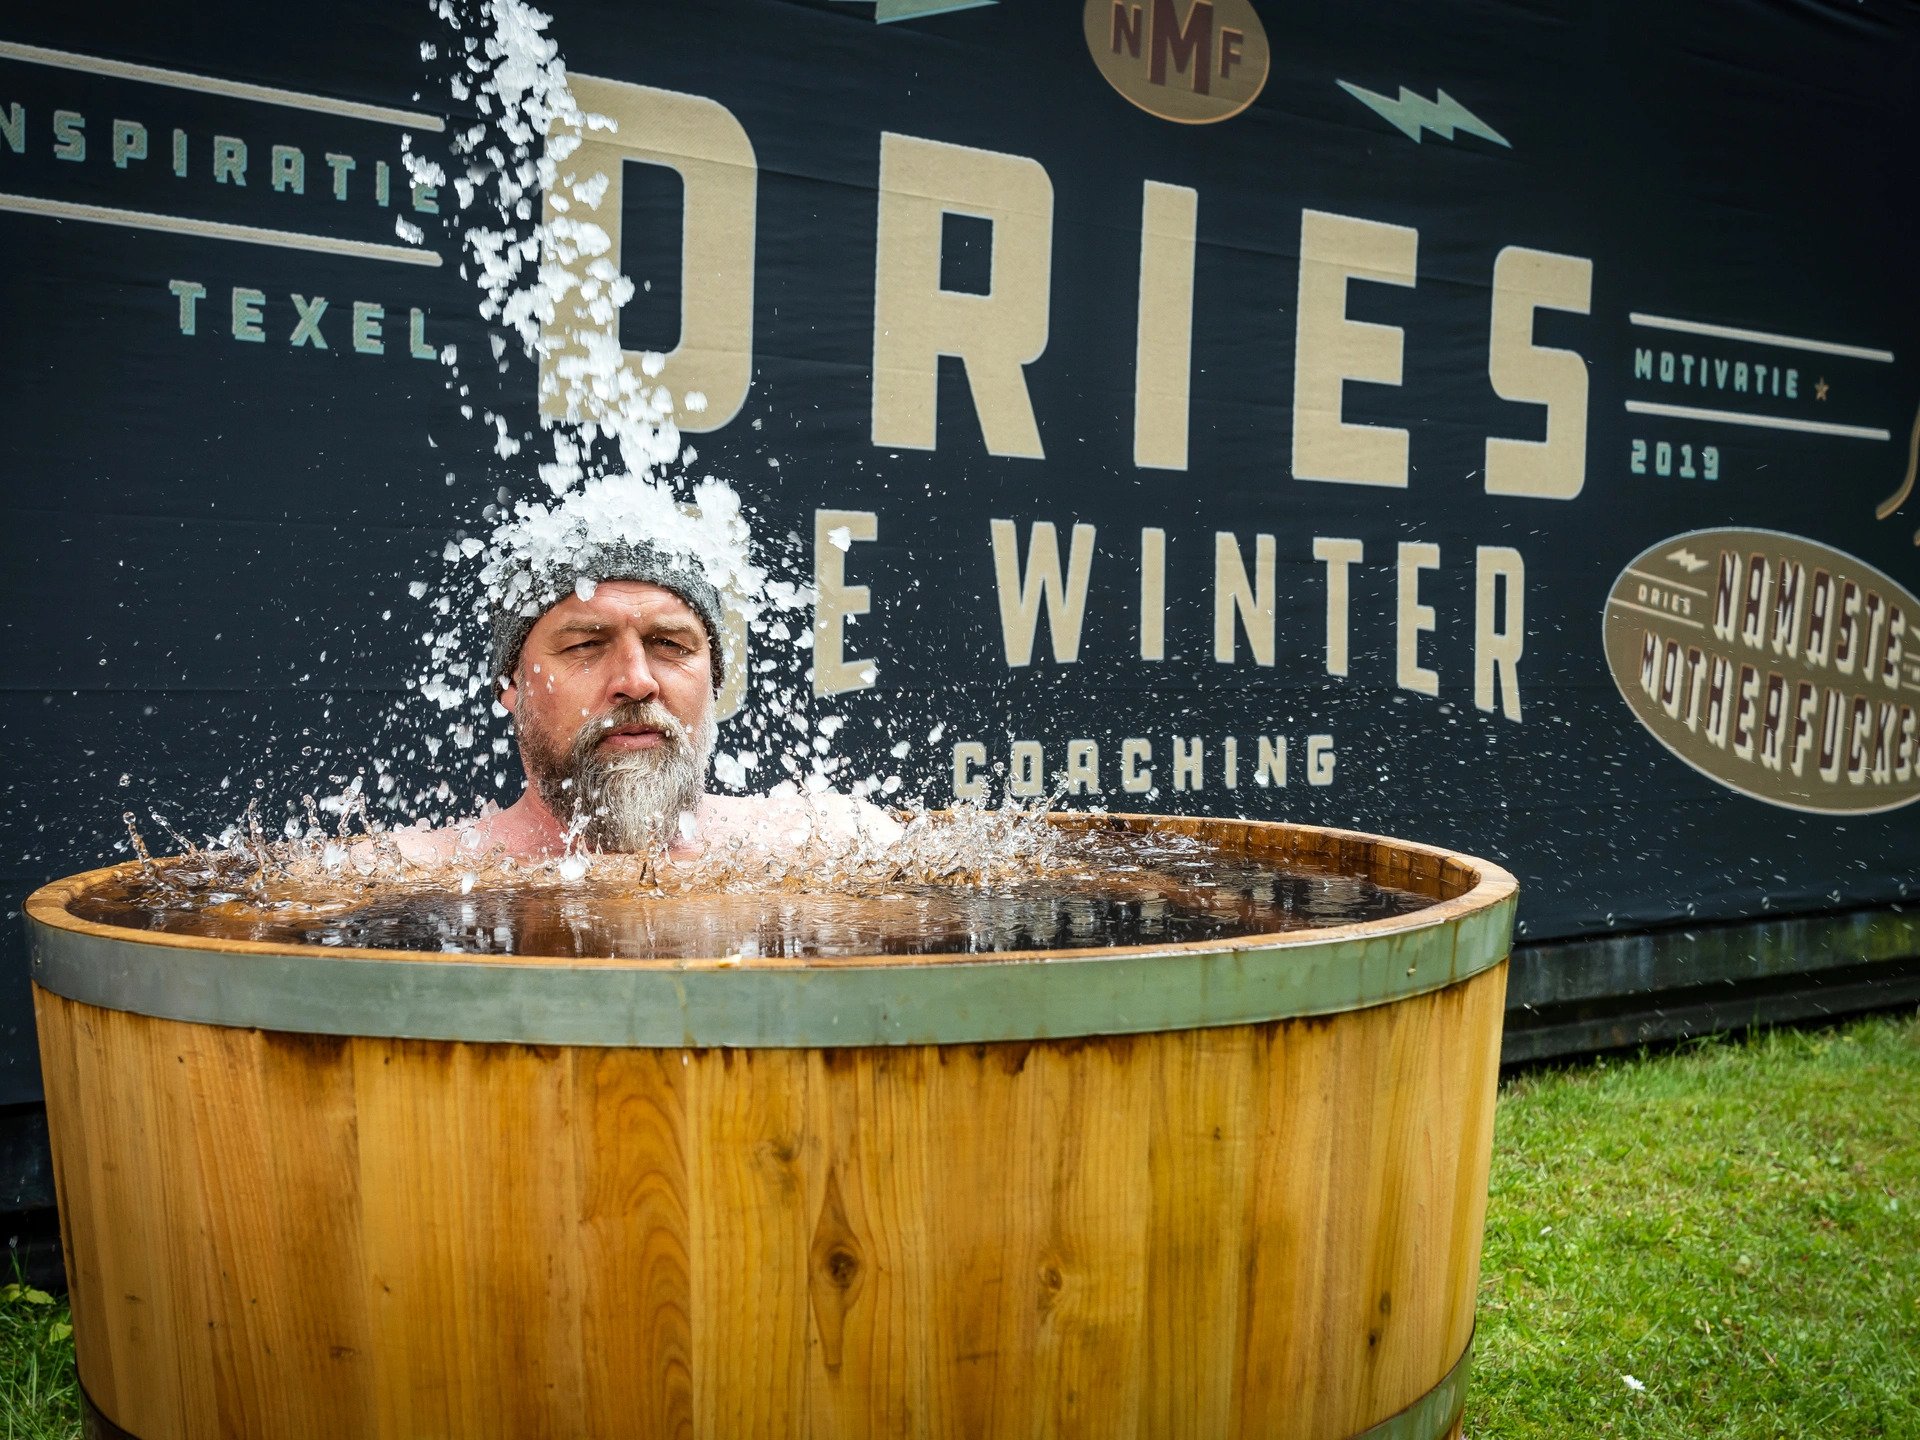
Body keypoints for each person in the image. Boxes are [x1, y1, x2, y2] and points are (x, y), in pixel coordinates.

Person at [406, 537, 899, 862]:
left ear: (712, 679)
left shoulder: (830, 846)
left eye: (670, 644)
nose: (637, 682)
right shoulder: (421, 875)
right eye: (584, 646)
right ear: (511, 684)